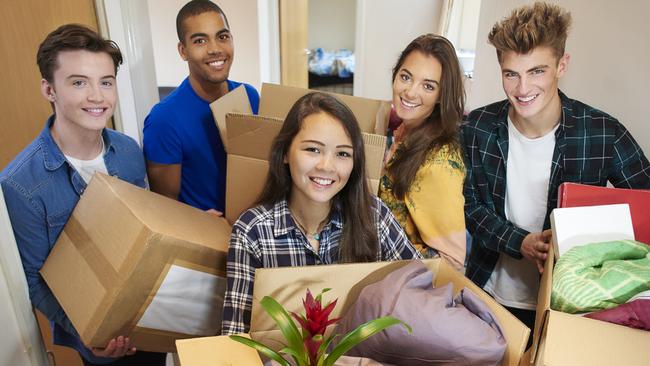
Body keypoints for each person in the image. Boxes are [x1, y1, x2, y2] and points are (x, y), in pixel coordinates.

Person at [462, 1, 650, 332]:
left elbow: (646, 205)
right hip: (488, 291)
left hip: (573, 305)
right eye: (511, 74)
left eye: (537, 71)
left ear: (562, 65)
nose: (522, 89)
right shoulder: (476, 127)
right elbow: (469, 206)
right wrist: (519, 241)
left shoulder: (603, 132)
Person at [0, 24, 165, 365]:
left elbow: (147, 224)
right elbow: (36, 281)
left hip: (151, 315)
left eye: (106, 81)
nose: (97, 97)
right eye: (79, 82)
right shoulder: (19, 184)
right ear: (49, 89)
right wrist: (87, 335)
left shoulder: (129, 150)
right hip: (97, 337)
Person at [221, 92, 420, 335]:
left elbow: (421, 292)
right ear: (285, 153)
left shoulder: (375, 216)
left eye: (343, 154)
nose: (326, 166)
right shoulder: (252, 232)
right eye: (313, 149)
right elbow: (235, 335)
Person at [143, 0, 260, 212]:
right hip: (206, 237)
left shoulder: (249, 96)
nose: (215, 49)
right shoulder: (164, 120)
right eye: (200, 41)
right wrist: (198, 221)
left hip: (252, 226)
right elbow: (165, 207)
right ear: (183, 51)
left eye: (222, 37)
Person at [378, 34, 467, 270]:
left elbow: (451, 262)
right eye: (406, 77)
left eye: (428, 86)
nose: (410, 92)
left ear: (441, 96)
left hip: (403, 285)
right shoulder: (405, 130)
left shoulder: (438, 163)